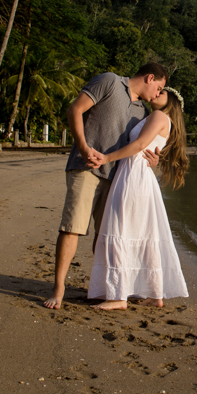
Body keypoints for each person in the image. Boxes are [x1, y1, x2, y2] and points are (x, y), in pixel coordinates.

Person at [43, 63, 168, 310]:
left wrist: (154, 160)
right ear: (150, 77)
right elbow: (75, 110)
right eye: (159, 87)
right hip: (85, 167)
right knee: (73, 227)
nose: (157, 94)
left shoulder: (142, 112)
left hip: (117, 178)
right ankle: (58, 289)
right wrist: (82, 147)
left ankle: (109, 289)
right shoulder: (109, 82)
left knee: (107, 237)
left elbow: (141, 145)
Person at [88, 86, 190, 310]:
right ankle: (154, 294)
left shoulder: (159, 116)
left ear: (170, 102)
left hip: (133, 175)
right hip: (139, 175)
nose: (155, 94)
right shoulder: (157, 117)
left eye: (161, 93)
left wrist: (106, 158)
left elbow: (140, 144)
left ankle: (117, 296)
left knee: (120, 229)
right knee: (143, 233)